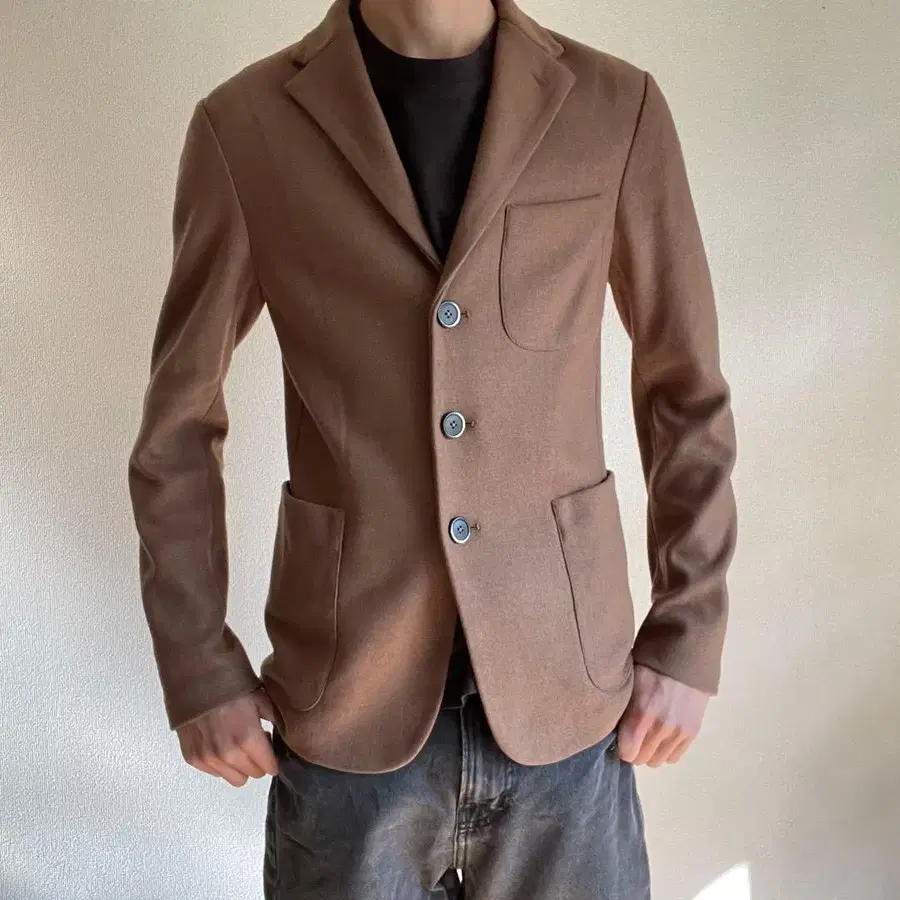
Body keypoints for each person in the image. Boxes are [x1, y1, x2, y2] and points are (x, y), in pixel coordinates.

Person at [127, 0, 738, 896]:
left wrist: (690, 632)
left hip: (568, 698)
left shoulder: (616, 108)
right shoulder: (245, 126)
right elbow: (177, 425)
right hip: (347, 703)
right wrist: (196, 667)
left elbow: (685, 390)